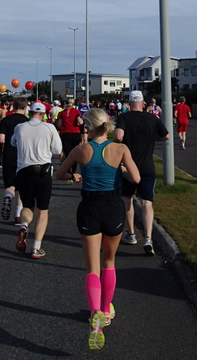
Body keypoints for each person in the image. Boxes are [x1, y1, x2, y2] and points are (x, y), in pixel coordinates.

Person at [54, 107, 141, 350]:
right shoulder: (120, 149)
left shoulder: (81, 149)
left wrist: (75, 177)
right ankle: (105, 308)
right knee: (109, 262)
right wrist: (121, 169)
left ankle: (95, 315)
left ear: (89, 127)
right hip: (113, 206)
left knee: (92, 267)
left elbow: (60, 173)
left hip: (89, 207)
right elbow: (136, 179)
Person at [115, 90, 169, 255]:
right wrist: (153, 139)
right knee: (147, 203)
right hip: (147, 166)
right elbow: (166, 136)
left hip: (129, 167)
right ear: (143, 103)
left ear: (129, 104)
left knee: (127, 199)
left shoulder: (124, 118)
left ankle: (131, 234)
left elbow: (118, 137)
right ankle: (148, 238)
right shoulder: (152, 118)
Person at [11, 102, 63, 259]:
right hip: (43, 172)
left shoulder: (20, 127)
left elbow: (13, 143)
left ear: (30, 112)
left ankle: (24, 225)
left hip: (24, 171)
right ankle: (36, 247)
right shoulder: (49, 128)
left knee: (27, 206)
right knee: (43, 210)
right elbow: (57, 150)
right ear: (43, 114)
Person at [0, 97, 30, 225]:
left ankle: (7, 197)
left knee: (10, 184)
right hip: (24, 156)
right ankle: (18, 215)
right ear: (26, 107)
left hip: (9, 154)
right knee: (22, 186)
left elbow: (1, 139)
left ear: (13, 106)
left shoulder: (6, 120)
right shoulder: (28, 122)